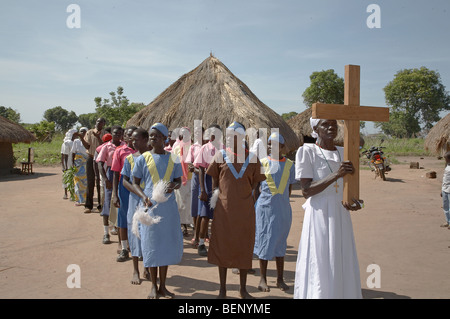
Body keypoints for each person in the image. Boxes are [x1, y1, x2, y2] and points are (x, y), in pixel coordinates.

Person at [293, 118, 363, 299]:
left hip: (341, 213)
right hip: (319, 213)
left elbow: (350, 186)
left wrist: (356, 202)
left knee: (341, 255)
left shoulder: (344, 152)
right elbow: (306, 190)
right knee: (321, 258)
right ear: (315, 128)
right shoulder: (307, 151)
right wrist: (336, 174)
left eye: (333, 124)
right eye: (325, 124)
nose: (331, 127)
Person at [206, 121, 266, 299]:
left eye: (237, 136)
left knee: (243, 247)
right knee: (223, 247)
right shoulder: (220, 155)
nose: (233, 139)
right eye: (230, 135)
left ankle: (243, 289)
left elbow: (256, 184)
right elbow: (214, 181)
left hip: (245, 212)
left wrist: (246, 199)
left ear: (243, 137)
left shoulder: (254, 158)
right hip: (223, 211)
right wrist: (217, 197)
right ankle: (222, 289)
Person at [132, 123, 183, 299]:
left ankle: (163, 286)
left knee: (165, 246)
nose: (153, 139)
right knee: (151, 245)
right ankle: (153, 286)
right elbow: (135, 182)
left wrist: (171, 186)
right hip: (149, 207)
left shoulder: (174, 158)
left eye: (156, 136)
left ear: (164, 138)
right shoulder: (143, 158)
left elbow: (179, 181)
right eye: (151, 136)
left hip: (168, 208)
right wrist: (143, 196)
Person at [254, 132, 296, 292]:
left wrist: (282, 202)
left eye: (275, 144)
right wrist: (258, 205)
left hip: (283, 209)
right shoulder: (263, 162)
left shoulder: (290, 165)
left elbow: (289, 188)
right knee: (265, 241)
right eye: (269, 144)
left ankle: (280, 279)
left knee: (280, 243)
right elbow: (256, 187)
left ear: (283, 147)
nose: (271, 147)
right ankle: (263, 278)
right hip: (265, 209)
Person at [121, 128, 152, 284]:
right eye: (132, 139)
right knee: (134, 233)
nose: (133, 142)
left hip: (150, 203)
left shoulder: (154, 158)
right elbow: (125, 180)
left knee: (148, 234)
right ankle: (135, 269)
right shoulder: (129, 159)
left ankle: (147, 267)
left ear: (146, 140)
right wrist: (139, 192)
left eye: (136, 139)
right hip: (135, 201)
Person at [193, 124, 223, 256]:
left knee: (219, 215)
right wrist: (203, 190)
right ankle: (201, 243)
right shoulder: (205, 148)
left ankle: (217, 243)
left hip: (221, 184)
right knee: (204, 215)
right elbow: (201, 170)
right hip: (207, 182)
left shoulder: (224, 149)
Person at [112, 126, 137, 262]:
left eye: (134, 135)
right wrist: (115, 194)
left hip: (139, 187)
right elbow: (116, 174)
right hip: (124, 187)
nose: (131, 138)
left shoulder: (142, 152)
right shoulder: (120, 151)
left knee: (138, 217)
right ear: (125, 138)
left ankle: (137, 248)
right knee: (123, 217)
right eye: (128, 135)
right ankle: (124, 248)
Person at [96, 126, 125, 245]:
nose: (117, 136)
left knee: (119, 203)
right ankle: (105, 233)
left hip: (121, 174)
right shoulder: (106, 147)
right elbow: (100, 163)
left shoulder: (124, 146)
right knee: (107, 203)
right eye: (115, 133)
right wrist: (105, 179)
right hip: (110, 173)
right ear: (111, 134)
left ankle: (119, 231)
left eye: (119, 134)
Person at [81, 118, 106, 214]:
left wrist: (98, 137)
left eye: (101, 122)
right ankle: (88, 206)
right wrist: (80, 137)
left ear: (104, 124)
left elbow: (104, 146)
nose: (99, 123)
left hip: (101, 159)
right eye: (97, 121)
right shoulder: (90, 132)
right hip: (91, 157)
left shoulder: (105, 133)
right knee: (90, 182)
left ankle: (100, 205)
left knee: (100, 182)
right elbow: (87, 146)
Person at [172, 127, 193, 236]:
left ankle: (187, 224)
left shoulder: (192, 147)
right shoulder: (176, 147)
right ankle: (181, 225)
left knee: (188, 203)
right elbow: (173, 163)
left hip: (190, 178)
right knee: (180, 203)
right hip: (179, 178)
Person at [187, 125, 206, 247]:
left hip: (207, 178)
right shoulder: (193, 147)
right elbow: (190, 165)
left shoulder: (210, 146)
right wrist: (197, 170)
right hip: (196, 178)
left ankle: (204, 233)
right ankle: (196, 233)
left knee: (205, 206)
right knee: (195, 205)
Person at [71, 127, 88, 206]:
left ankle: (84, 199)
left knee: (85, 182)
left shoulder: (88, 141)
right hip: (78, 164)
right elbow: (73, 153)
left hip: (85, 165)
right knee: (77, 182)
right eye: (81, 132)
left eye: (84, 132)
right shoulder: (76, 141)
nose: (82, 133)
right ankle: (78, 200)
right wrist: (72, 164)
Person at [61, 129, 77, 200]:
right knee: (67, 178)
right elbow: (64, 155)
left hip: (73, 163)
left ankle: (72, 194)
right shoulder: (67, 143)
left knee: (72, 178)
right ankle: (66, 193)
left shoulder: (75, 142)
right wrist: (65, 166)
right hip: (68, 163)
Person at [440, 151, 450, 229]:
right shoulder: (447, 167)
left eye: (446, 159)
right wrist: (442, 190)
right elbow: (445, 180)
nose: (445, 160)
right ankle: (448, 221)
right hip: (445, 189)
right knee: (445, 206)